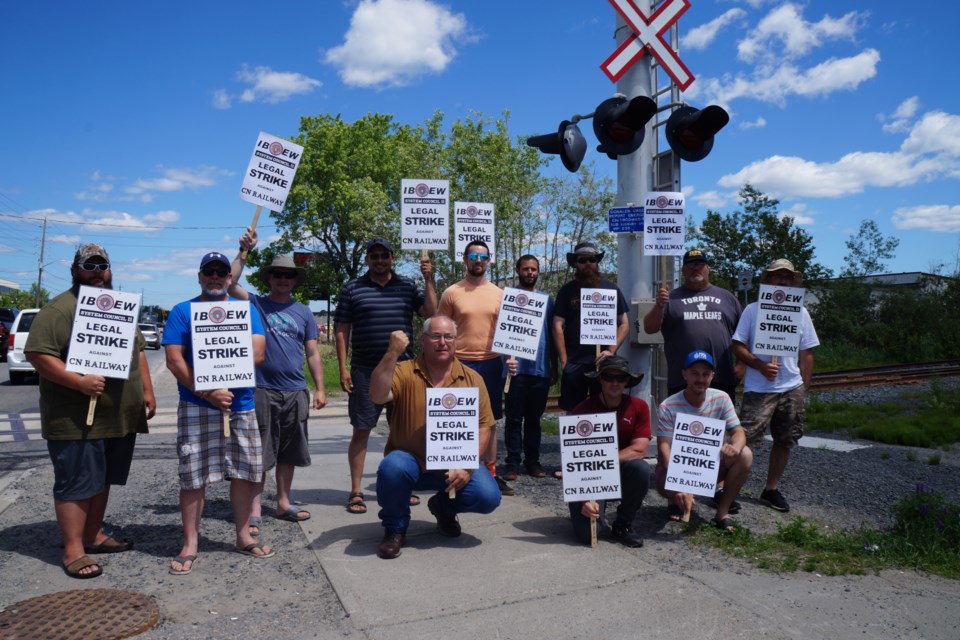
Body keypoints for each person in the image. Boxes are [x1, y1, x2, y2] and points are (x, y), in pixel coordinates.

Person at [24, 243, 156, 579]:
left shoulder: (116, 307)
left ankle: (93, 536)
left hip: (118, 417)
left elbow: (138, 349)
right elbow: (39, 354)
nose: (97, 272)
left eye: (102, 266)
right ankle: (73, 550)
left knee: (102, 480)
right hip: (76, 419)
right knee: (76, 483)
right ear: (75, 270)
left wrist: (147, 391)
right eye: (89, 266)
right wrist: (78, 382)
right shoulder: (60, 309)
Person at [163, 251, 268, 575]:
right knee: (193, 475)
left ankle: (241, 536)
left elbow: (259, 352)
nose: (214, 276)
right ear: (199, 276)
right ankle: (191, 542)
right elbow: (174, 359)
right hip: (197, 406)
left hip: (240, 405)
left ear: (229, 278)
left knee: (244, 472)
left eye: (221, 272)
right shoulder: (183, 311)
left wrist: (226, 378)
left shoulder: (246, 310)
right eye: (208, 271)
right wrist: (206, 389)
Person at [368, 316, 501, 559]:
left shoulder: (473, 379)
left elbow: (485, 427)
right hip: (412, 462)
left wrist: (468, 466)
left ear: (455, 341)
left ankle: (444, 508)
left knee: (488, 496)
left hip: (454, 464)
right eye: (435, 336)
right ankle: (395, 528)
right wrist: (391, 353)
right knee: (392, 466)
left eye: (448, 336)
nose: (442, 342)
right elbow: (377, 395)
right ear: (423, 340)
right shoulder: (404, 371)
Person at [229, 229, 328, 533]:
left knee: (288, 452)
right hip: (260, 389)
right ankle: (255, 509)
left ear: (294, 280)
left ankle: (283, 502)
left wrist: (320, 387)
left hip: (295, 391)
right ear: (269, 278)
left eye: (288, 275)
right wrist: (243, 251)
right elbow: (229, 284)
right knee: (259, 451)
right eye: (278, 274)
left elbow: (312, 353)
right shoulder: (256, 304)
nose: (283, 279)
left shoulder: (304, 313)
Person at [334, 237, 437, 515]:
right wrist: (343, 368)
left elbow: (430, 313)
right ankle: (356, 491)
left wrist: (429, 279)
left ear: (392, 257)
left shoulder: (407, 286)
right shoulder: (352, 289)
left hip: (404, 370)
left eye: (384, 255)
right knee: (361, 430)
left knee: (404, 433)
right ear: (367, 259)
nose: (379, 260)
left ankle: (401, 486)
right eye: (374, 256)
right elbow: (342, 330)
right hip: (366, 370)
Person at [731, 259, 819, 513]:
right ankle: (727, 487)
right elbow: (737, 345)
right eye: (777, 276)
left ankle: (771, 488)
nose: (782, 281)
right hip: (759, 388)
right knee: (743, 438)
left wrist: (804, 387)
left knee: (785, 439)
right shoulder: (752, 310)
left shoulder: (801, 312)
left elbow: (808, 353)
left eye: (787, 277)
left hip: (791, 386)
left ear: (792, 282)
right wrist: (759, 365)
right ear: (768, 280)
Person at [437, 239, 512, 495]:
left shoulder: (500, 294)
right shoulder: (451, 293)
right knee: (458, 419)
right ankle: (453, 471)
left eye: (482, 257)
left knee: (488, 422)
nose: (477, 261)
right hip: (459, 363)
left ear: (489, 260)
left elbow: (509, 332)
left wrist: (511, 356)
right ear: (465, 260)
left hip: (491, 363)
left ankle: (490, 472)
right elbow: (441, 330)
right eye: (472, 256)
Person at [655, 350, 753, 531]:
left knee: (745, 454)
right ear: (684, 374)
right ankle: (675, 499)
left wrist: (736, 447)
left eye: (705, 374)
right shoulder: (668, 406)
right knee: (665, 474)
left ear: (712, 376)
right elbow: (663, 446)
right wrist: (678, 482)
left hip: (709, 467)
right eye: (694, 373)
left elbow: (738, 431)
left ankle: (722, 512)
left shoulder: (721, 398)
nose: (700, 379)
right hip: (677, 469)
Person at [567, 356, 651, 547]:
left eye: (620, 378)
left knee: (641, 469)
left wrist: (603, 460)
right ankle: (584, 508)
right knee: (588, 537)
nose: (614, 383)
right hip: (588, 477)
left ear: (627, 381)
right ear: (600, 379)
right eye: (608, 377)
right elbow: (573, 460)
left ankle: (623, 523)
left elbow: (640, 449)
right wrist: (583, 500)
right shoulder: (582, 410)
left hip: (620, 471)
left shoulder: (639, 407)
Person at [642, 248, 742, 399]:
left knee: (722, 423)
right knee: (685, 422)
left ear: (707, 269)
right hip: (682, 380)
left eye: (700, 265)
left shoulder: (727, 298)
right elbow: (649, 329)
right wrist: (659, 306)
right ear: (683, 270)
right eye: (691, 265)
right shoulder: (670, 298)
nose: (696, 268)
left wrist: (741, 365)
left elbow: (745, 335)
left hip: (721, 377)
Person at [553, 241, 629, 411]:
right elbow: (557, 325)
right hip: (574, 362)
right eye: (582, 260)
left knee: (604, 411)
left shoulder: (611, 289)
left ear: (597, 262)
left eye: (592, 259)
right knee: (574, 411)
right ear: (575, 264)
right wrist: (564, 361)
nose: (588, 263)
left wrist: (610, 350)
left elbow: (624, 324)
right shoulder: (567, 291)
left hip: (604, 363)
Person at [501, 255, 557, 481]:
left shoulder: (547, 300)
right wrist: (505, 360)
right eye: (526, 269)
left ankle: (532, 461)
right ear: (518, 270)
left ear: (538, 272)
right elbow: (501, 332)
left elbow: (553, 335)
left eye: (534, 269)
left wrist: (554, 366)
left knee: (534, 419)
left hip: (540, 369)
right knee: (513, 419)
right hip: (515, 370)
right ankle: (512, 462)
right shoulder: (509, 297)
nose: (530, 273)